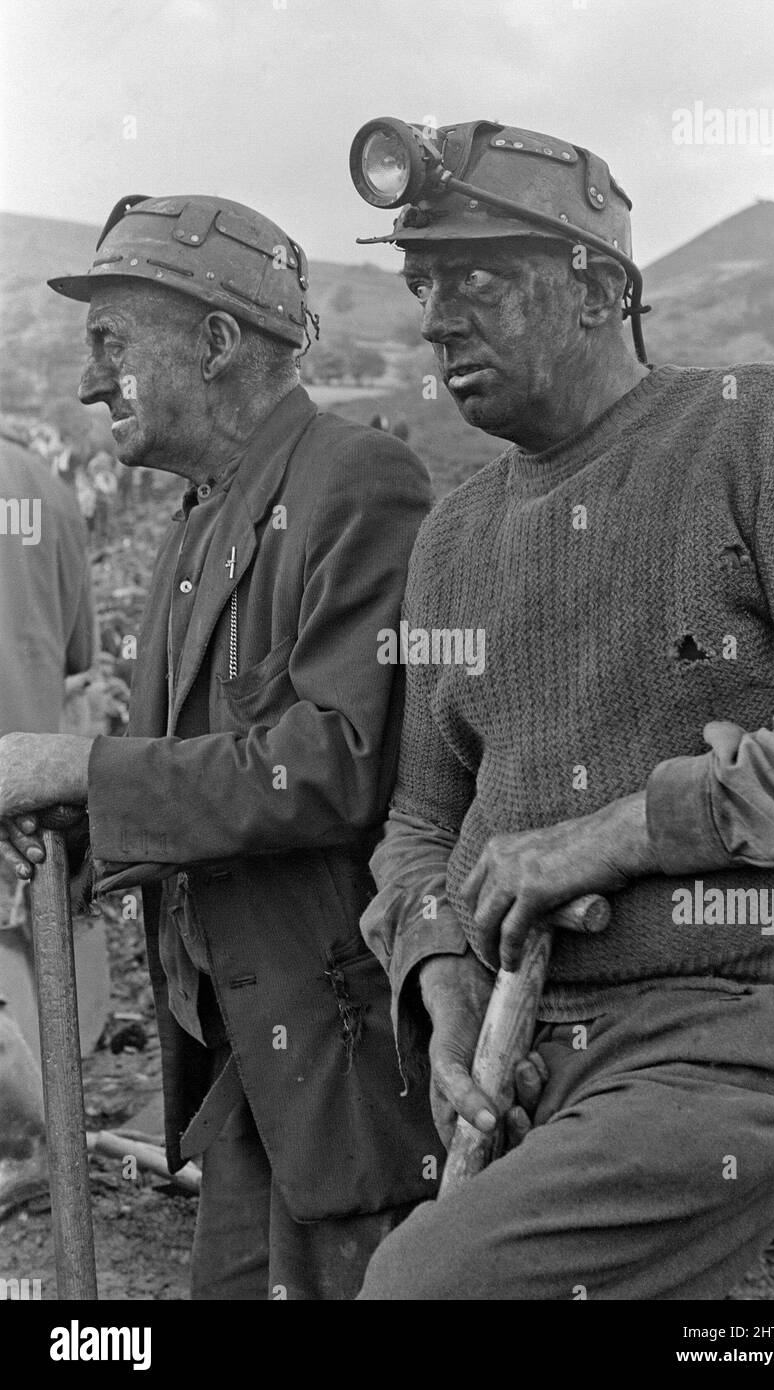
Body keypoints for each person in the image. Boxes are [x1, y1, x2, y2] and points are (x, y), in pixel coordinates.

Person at [347, 119, 774, 1299]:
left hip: (740, 1025)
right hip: (532, 1045)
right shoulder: (452, 540)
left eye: (475, 276)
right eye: (423, 282)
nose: (434, 319)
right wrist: (440, 981)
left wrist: (619, 830)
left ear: (596, 287)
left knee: (423, 1288)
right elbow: (419, 828)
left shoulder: (765, 427)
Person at [0, 193, 443, 1299]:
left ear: (214, 340)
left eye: (111, 343)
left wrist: (84, 770)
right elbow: (203, 771)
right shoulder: (200, 520)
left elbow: (337, 759)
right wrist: (91, 830)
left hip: (343, 1059)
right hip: (241, 1056)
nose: (92, 380)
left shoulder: (356, 480)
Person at [0, 436, 95, 1214]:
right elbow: (77, 651)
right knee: (28, 943)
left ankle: (30, 1147)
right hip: (34, 764)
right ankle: (48, 1146)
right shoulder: (45, 482)